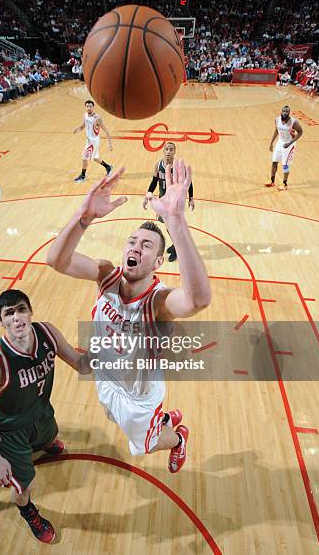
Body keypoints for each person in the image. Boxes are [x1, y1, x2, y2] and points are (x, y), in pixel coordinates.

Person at [46, 161, 211, 473]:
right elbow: (56, 260)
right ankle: (163, 421)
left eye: (146, 245)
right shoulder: (106, 275)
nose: (136, 247)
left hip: (139, 395)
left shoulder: (159, 302)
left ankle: (177, 438)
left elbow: (198, 299)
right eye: (132, 242)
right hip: (108, 377)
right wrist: (85, 216)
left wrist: (176, 222)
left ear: (159, 261)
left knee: (144, 446)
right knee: (110, 415)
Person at [0, 289, 91, 544]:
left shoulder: (47, 332)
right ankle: (28, 512)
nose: (17, 317)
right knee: (23, 484)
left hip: (41, 411)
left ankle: (43, 442)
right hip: (10, 430)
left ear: (31, 311)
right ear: (0, 322)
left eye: (21, 309)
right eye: (8, 313)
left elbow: (81, 365)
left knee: (51, 436)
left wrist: (106, 354)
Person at [143, 142, 194, 262]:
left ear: (174, 152)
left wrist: (191, 198)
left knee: (172, 227)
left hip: (174, 203)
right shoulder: (158, 165)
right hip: (163, 201)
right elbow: (154, 181)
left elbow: (189, 183)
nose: (168, 152)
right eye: (166, 149)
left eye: (171, 149)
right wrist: (147, 194)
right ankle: (176, 245)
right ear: (163, 151)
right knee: (168, 227)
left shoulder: (178, 167)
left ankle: (179, 248)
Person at [264, 105, 303, 191]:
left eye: (287, 111)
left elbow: (300, 132)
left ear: (289, 113)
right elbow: (276, 130)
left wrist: (290, 143)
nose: (285, 113)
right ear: (281, 112)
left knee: (285, 165)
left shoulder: (294, 122)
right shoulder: (277, 119)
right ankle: (272, 181)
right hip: (280, 142)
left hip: (289, 144)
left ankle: (285, 184)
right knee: (274, 161)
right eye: (283, 111)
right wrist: (271, 143)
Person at [73, 100, 113, 183]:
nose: (89, 108)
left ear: (93, 107)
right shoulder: (85, 115)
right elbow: (83, 126)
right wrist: (78, 129)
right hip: (88, 140)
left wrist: (110, 144)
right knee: (95, 157)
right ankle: (108, 167)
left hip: (94, 142)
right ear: (85, 107)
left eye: (90, 106)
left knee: (84, 157)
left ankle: (83, 176)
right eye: (87, 106)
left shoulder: (97, 118)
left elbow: (106, 131)